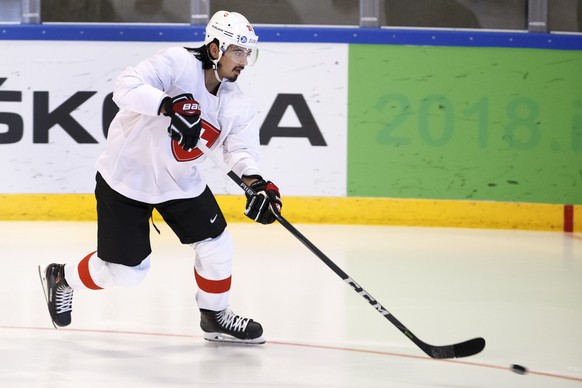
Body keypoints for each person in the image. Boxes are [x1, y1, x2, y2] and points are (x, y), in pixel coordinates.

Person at [38, 10, 282, 345]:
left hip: (179, 182)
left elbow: (240, 152)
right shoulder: (176, 64)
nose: (244, 60)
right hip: (126, 179)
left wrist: (257, 185)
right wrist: (169, 105)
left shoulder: (237, 103)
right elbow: (125, 88)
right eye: (237, 51)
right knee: (127, 274)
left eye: (248, 52)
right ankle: (62, 277)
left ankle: (214, 316)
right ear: (215, 49)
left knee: (218, 247)